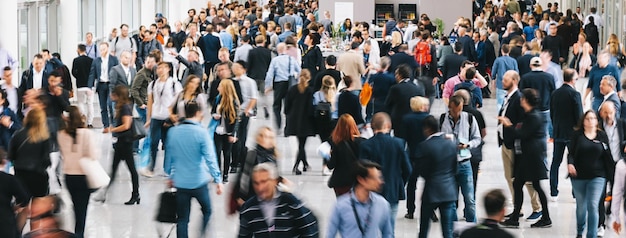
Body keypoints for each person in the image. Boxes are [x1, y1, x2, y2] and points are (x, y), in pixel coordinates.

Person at [165, 102, 223, 238]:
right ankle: (201, 234)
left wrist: (170, 176)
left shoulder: (173, 132)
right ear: (198, 113)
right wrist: (218, 179)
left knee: (182, 219)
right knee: (207, 210)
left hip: (180, 182)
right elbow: (210, 158)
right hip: (199, 182)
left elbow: (170, 157)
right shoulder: (202, 133)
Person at [499, 88, 553, 228]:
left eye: (523, 98)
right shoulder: (531, 115)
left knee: (524, 185)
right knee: (528, 185)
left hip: (531, 158)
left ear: (526, 101)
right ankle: (523, 216)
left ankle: (526, 217)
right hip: (529, 156)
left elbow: (522, 134)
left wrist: (509, 125)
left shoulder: (533, 116)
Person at [360, 112, 411, 232]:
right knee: (389, 229)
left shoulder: (365, 145)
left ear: (372, 127)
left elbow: (361, 170)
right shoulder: (399, 143)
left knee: (370, 228)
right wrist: (399, 182)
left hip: (371, 193)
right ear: (388, 125)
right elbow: (408, 169)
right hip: (393, 190)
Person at [567, 109, 614, 238]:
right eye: (588, 118)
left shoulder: (601, 136)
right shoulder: (577, 135)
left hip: (598, 176)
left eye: (593, 118)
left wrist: (613, 175)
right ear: (583, 121)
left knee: (593, 205)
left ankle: (591, 235)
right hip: (579, 176)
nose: (590, 121)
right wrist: (570, 164)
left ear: (596, 121)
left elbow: (607, 155)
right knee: (581, 208)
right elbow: (571, 153)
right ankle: (579, 231)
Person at [238, 163, 320, 237]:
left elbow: (310, 229)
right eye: (256, 183)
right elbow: (243, 235)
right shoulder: (249, 208)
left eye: (264, 181)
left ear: (275, 181)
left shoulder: (291, 203)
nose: (260, 187)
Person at [8, 108, 50, 233]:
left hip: (21, 176)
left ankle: (17, 234)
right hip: (39, 176)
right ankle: (34, 235)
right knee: (37, 212)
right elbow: (47, 160)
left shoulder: (18, 134)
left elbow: (11, 156)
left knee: (22, 209)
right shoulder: (44, 137)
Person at [57, 106, 98, 238]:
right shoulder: (86, 134)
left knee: (76, 207)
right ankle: (79, 234)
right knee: (82, 211)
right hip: (84, 176)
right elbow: (93, 155)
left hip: (69, 175)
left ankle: (78, 232)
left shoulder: (61, 134)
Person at [440, 95, 481, 223]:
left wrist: (468, 145)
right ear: (449, 107)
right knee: (451, 199)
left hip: (464, 162)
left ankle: (471, 227)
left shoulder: (469, 118)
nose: (457, 113)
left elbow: (477, 138)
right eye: (454, 110)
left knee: (469, 198)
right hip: (449, 164)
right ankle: (454, 227)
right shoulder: (442, 119)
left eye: (459, 110)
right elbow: (437, 137)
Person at [326, 160, 393, 238]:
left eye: (380, 177)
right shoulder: (341, 206)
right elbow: (330, 234)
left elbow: (388, 234)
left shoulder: (382, 204)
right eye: (375, 178)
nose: (380, 181)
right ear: (361, 180)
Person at [418, 115, 458, 238]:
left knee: (424, 228)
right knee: (447, 230)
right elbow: (455, 168)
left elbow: (422, 170)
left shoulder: (425, 146)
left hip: (431, 190)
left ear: (427, 129)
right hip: (448, 190)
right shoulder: (450, 144)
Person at [100, 85, 140, 205]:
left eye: (113, 94)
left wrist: (112, 130)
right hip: (121, 143)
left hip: (126, 143)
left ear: (118, 95)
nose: (111, 96)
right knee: (114, 169)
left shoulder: (125, 108)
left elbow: (126, 125)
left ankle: (135, 194)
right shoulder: (122, 107)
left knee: (131, 170)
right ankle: (104, 194)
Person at [549, 69, 583, 200]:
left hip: (558, 132)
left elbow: (552, 113)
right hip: (572, 134)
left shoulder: (555, 93)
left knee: (555, 162)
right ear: (572, 79)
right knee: (574, 162)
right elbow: (579, 116)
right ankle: (575, 192)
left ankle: (553, 191)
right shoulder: (575, 94)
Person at [145, 62, 183, 177]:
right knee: (153, 142)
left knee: (168, 144)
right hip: (156, 116)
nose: (160, 70)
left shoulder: (174, 84)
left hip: (169, 117)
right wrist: (148, 118)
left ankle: (168, 168)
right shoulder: (152, 84)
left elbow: (179, 101)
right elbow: (150, 102)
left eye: (163, 67)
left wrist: (178, 118)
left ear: (168, 69)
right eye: (159, 68)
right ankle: (151, 167)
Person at [399, 96, 430, 219]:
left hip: (412, 154)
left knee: (411, 184)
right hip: (427, 154)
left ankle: (410, 210)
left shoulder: (406, 119)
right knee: (429, 182)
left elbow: (403, 138)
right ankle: (430, 210)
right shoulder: (428, 118)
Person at [232, 126, 279, 208]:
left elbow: (274, 176)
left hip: (269, 198)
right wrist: (240, 196)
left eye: (268, 137)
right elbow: (243, 176)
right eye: (262, 136)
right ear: (257, 138)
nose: (265, 139)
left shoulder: (273, 155)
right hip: (252, 197)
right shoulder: (251, 154)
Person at [264, 43, 302, 131]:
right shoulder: (291, 59)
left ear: (278, 50)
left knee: (276, 105)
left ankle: (278, 124)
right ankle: (287, 126)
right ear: (285, 49)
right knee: (288, 105)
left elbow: (270, 74)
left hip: (279, 84)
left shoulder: (275, 60)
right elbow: (300, 71)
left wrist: (268, 86)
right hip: (289, 84)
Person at [285, 70, 315, 175]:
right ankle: (296, 166)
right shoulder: (310, 91)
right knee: (302, 144)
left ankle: (305, 164)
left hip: (294, 120)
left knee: (300, 143)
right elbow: (311, 108)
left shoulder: (292, 89)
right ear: (309, 78)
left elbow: (286, 107)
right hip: (306, 120)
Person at [230, 61, 258, 172]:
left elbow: (254, 97)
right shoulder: (232, 81)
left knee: (242, 137)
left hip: (244, 112)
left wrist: (247, 110)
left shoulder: (250, 82)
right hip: (233, 112)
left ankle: (240, 160)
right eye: (234, 67)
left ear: (243, 69)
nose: (234, 69)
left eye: (237, 67)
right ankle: (235, 161)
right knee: (233, 137)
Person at [327, 114, 363, 196]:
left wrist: (329, 156)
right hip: (356, 180)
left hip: (340, 182)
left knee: (342, 205)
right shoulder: (362, 142)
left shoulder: (337, 144)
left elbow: (331, 165)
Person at [212, 79, 240, 183]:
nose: (218, 88)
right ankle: (218, 173)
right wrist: (215, 115)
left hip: (228, 131)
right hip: (218, 130)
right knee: (217, 152)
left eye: (220, 86)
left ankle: (225, 174)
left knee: (227, 154)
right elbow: (212, 111)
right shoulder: (217, 98)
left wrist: (233, 134)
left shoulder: (233, 101)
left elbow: (237, 119)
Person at [87, 42, 119, 128]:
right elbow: (92, 74)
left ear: (107, 48)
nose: (102, 51)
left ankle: (113, 123)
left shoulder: (114, 59)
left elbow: (117, 72)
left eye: (104, 49)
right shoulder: (96, 60)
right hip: (101, 85)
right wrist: (90, 87)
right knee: (103, 106)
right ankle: (105, 125)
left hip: (111, 85)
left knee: (110, 104)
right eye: (100, 49)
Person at [385, 64, 425, 132]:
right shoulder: (417, 87)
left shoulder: (395, 88)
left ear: (399, 75)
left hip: (398, 120)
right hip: (413, 120)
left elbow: (387, 104)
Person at [0, 149, 30, 238]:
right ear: (3, 161)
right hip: (5, 221)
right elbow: (24, 198)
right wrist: (14, 208)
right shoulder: (8, 179)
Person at [72, 44, 95, 128]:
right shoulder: (91, 60)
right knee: (90, 103)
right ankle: (90, 122)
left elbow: (73, 72)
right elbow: (94, 72)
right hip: (90, 85)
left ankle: (82, 119)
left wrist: (78, 77)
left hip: (80, 85)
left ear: (78, 50)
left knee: (81, 103)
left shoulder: (76, 60)